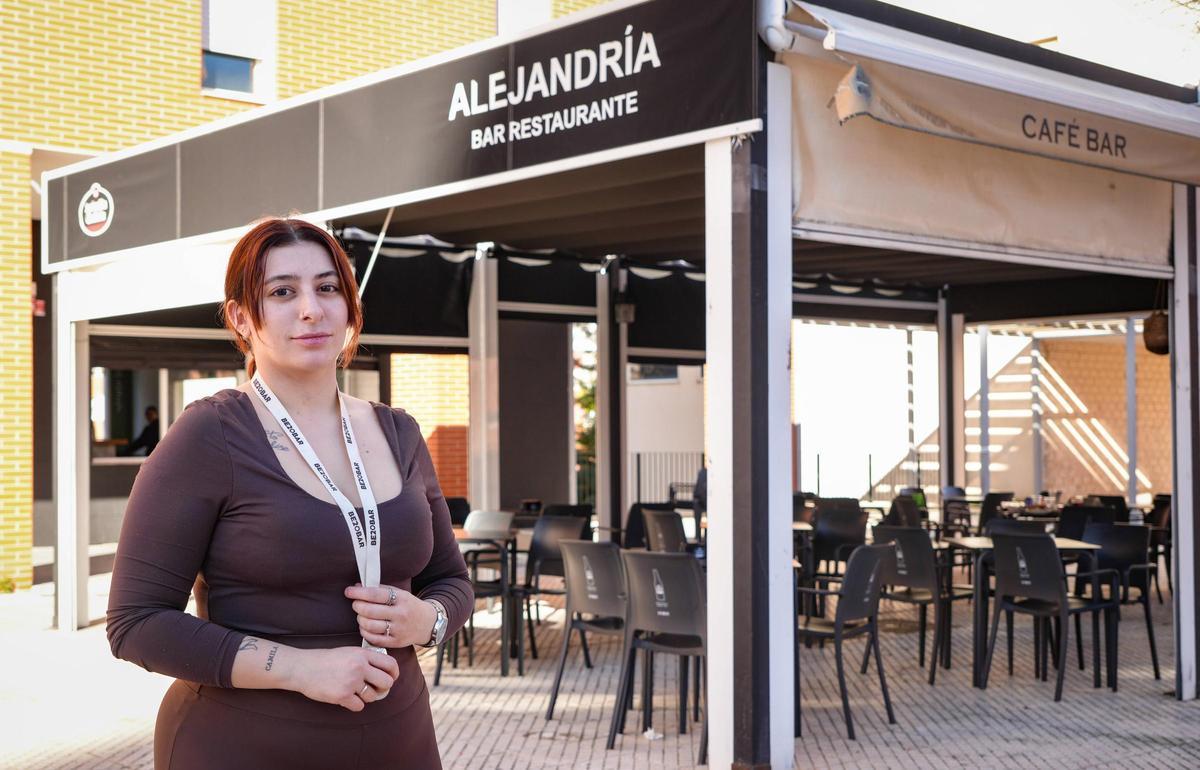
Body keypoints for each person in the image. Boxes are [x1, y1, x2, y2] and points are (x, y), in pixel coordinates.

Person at [106, 218, 473, 769]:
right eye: (283, 292)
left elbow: (450, 580)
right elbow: (135, 623)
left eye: (328, 288)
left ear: (349, 306)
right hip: (245, 745)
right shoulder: (210, 436)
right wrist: (302, 668)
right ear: (240, 317)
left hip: (400, 740)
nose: (312, 309)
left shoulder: (400, 433)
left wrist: (430, 620)